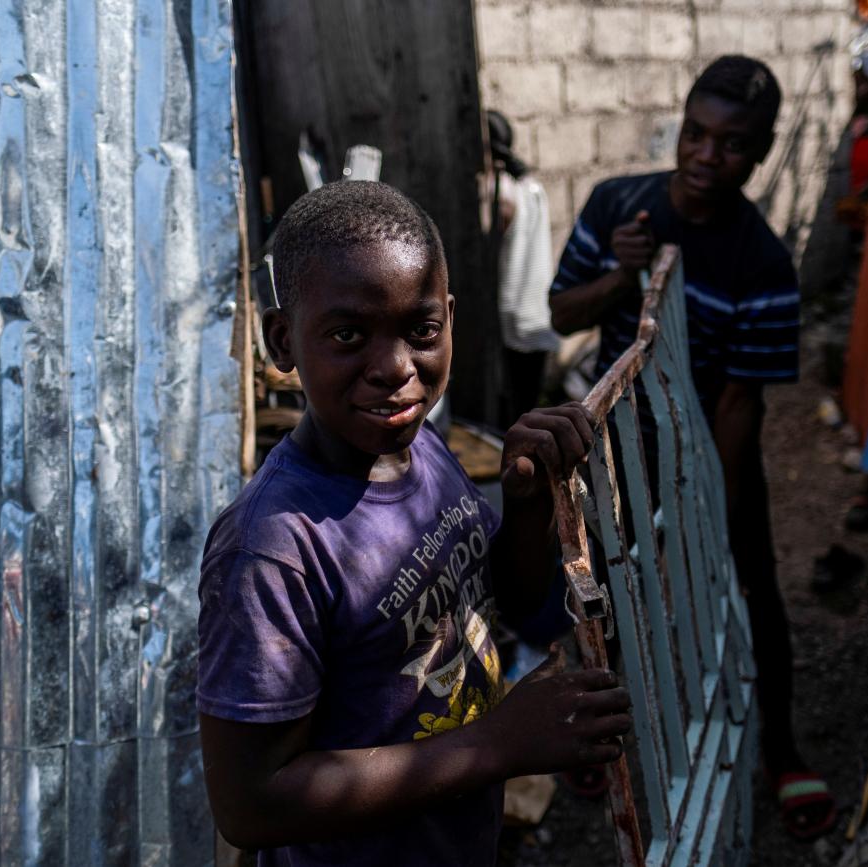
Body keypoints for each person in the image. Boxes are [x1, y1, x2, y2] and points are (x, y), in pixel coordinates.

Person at [197, 180, 631, 866]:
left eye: (421, 330)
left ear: (450, 319)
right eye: (347, 334)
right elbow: (250, 803)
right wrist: (499, 744)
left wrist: (524, 504)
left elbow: (508, 606)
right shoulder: (275, 548)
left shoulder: (420, 446)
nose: (396, 369)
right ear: (282, 339)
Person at [548, 55, 837, 841]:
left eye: (733, 144)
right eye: (696, 134)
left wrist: (710, 509)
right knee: (601, 587)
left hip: (712, 440)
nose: (708, 157)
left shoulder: (765, 264)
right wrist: (622, 276)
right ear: (679, 126)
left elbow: (741, 405)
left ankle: (780, 747)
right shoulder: (621, 204)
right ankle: (590, 732)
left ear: (763, 148)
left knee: (752, 583)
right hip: (619, 443)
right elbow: (562, 309)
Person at [486, 109, 561, 419]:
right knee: (529, 402)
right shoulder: (531, 184)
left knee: (514, 412)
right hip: (537, 309)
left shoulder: (499, 193)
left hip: (513, 314)